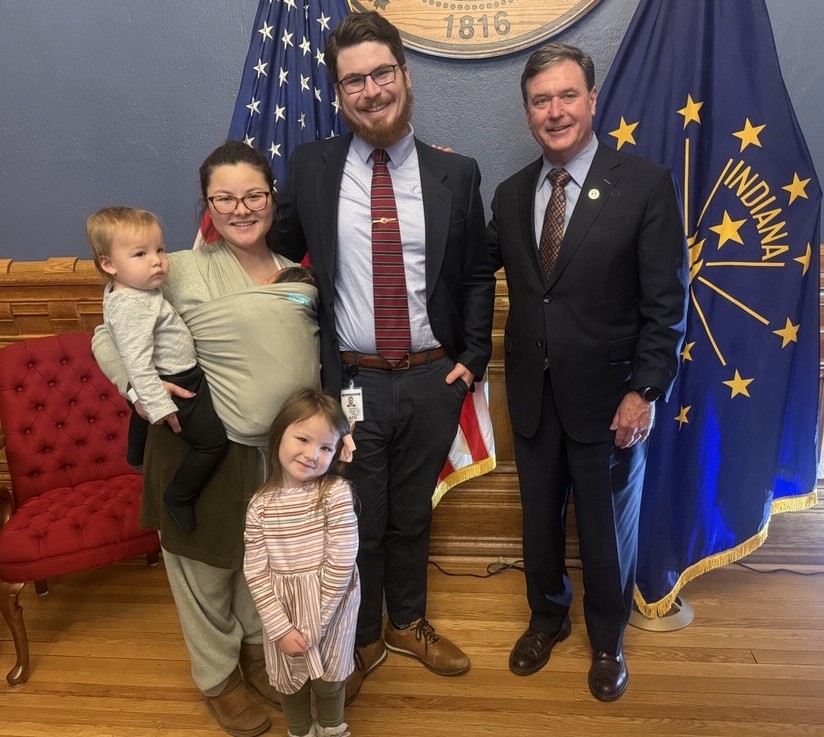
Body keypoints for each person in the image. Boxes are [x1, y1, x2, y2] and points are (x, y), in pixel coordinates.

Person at [275, 11, 496, 703]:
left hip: (434, 376)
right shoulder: (310, 167)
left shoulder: (456, 172)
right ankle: (363, 630)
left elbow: (475, 275)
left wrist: (474, 357)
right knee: (359, 515)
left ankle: (408, 620)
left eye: (381, 74)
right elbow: (270, 246)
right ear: (337, 94)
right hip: (350, 382)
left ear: (404, 75)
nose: (369, 91)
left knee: (412, 511)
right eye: (353, 82)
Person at [93, 140, 327, 737]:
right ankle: (217, 679)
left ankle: (255, 655)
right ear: (207, 205)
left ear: (273, 198)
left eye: (253, 194)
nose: (240, 208)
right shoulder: (177, 267)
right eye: (224, 197)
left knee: (256, 566)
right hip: (200, 444)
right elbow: (106, 337)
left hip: (275, 458)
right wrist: (138, 391)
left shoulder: (298, 274)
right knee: (201, 571)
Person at [488, 43, 689, 701]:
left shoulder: (646, 185)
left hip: (612, 403)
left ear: (593, 100)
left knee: (606, 533)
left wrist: (646, 391)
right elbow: (474, 267)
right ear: (527, 112)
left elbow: (667, 305)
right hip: (533, 397)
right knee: (539, 524)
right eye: (541, 100)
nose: (555, 111)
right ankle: (547, 617)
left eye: (567, 95)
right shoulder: (513, 193)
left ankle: (607, 640)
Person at [86, 206, 227, 532]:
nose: (158, 260)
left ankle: (135, 451)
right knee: (212, 443)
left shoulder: (129, 290)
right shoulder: (133, 304)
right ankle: (179, 496)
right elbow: (137, 363)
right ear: (109, 264)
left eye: (159, 249)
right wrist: (157, 404)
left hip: (171, 373)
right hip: (176, 381)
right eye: (140, 254)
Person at [244, 388, 359, 737]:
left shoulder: (336, 493)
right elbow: (256, 572)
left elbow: (341, 563)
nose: (312, 454)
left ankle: (331, 728)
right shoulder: (259, 505)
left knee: (329, 679)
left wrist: (316, 623)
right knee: (289, 682)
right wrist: (280, 627)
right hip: (284, 607)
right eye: (303, 439)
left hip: (332, 605)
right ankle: (299, 731)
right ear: (279, 434)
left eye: (325, 448)